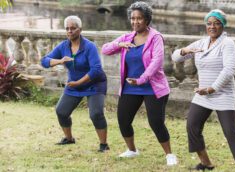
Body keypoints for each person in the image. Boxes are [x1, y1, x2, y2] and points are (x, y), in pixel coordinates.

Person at [172, 9, 235, 172]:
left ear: (223, 26)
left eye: (217, 23)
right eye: (209, 23)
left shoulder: (227, 43)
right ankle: (206, 163)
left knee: (231, 133)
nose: (212, 26)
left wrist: (212, 88)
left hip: (221, 94)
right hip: (202, 95)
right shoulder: (201, 43)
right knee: (192, 126)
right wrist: (184, 51)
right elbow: (175, 58)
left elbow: (229, 70)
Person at [101, 1, 177, 166]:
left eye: (139, 18)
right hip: (130, 87)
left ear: (147, 19)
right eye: (133, 18)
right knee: (123, 119)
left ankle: (169, 154)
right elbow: (105, 49)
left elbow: (156, 62)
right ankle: (132, 150)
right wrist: (119, 44)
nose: (135, 22)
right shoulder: (128, 37)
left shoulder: (155, 37)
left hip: (153, 87)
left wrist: (141, 79)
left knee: (156, 122)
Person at [41, 16, 109, 152]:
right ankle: (69, 139)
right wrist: (59, 61)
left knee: (96, 114)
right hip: (74, 85)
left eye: (73, 28)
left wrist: (78, 82)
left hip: (94, 84)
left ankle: (103, 145)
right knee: (61, 111)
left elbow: (96, 69)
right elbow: (44, 61)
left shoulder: (89, 46)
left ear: (80, 29)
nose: (70, 31)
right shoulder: (63, 46)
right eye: (67, 28)